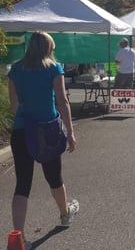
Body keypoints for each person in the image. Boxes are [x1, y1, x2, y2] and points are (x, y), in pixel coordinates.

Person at [7, 32, 79, 247]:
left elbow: (14, 106)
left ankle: (18, 237)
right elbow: (62, 101)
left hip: (22, 130)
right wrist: (71, 132)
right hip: (48, 130)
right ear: (49, 48)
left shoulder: (16, 69)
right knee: (54, 177)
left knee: (23, 183)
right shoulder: (54, 68)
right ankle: (65, 214)